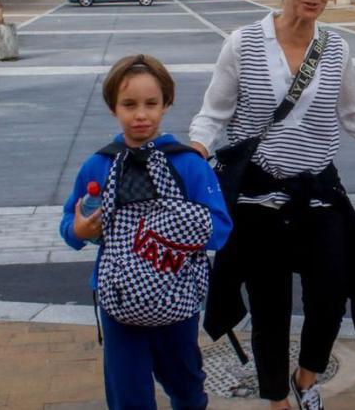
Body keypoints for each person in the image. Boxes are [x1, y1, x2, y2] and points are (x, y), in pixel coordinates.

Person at [192, 0, 355, 410]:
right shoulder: (243, 42)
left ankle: (305, 376)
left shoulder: (335, 48)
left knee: (332, 295)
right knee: (270, 308)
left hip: (318, 193)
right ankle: (277, 398)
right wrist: (194, 150)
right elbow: (213, 115)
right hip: (258, 199)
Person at [59, 54, 232, 410]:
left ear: (167, 103)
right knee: (129, 396)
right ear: (113, 108)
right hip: (119, 304)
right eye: (129, 104)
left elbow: (220, 229)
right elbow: (70, 227)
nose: (141, 115)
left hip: (177, 300)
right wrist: (78, 228)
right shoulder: (99, 165)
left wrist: (161, 225)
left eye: (151, 104)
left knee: (186, 388)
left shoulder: (188, 164)